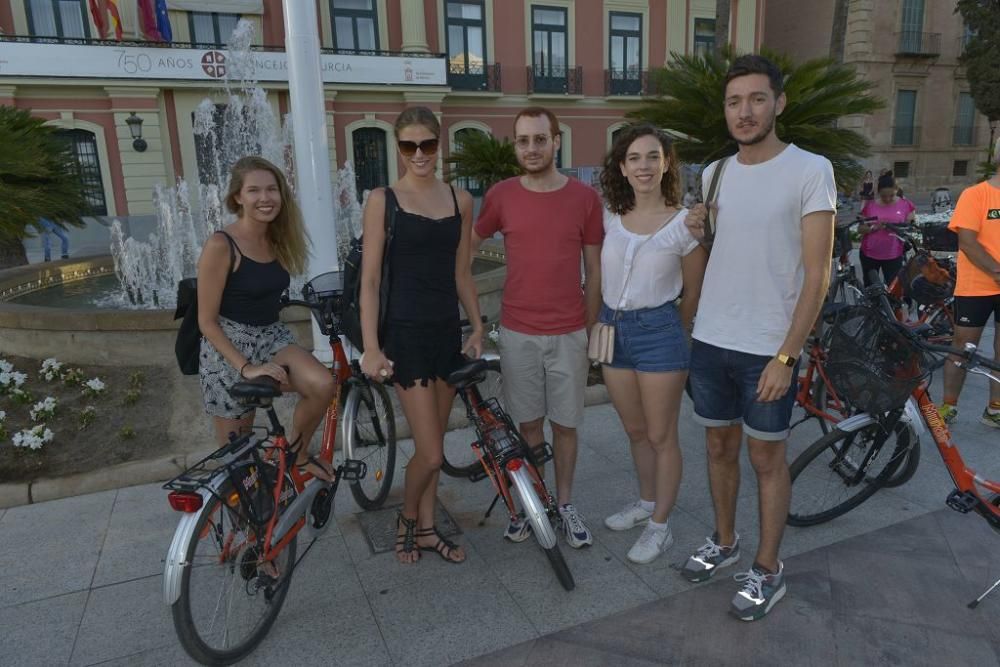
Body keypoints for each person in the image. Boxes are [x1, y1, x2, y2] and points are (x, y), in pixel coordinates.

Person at [682, 54, 836, 620]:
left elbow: (816, 276)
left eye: (756, 99)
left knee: (766, 459)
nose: (744, 112)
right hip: (712, 340)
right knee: (717, 446)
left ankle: (769, 570)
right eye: (733, 102)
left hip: (767, 348)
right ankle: (725, 543)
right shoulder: (714, 174)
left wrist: (786, 356)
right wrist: (699, 234)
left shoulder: (810, 169)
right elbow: (717, 255)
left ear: (779, 103)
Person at [472, 106, 603, 548]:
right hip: (518, 332)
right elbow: (465, 248)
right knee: (528, 426)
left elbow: (594, 268)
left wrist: (588, 326)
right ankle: (535, 502)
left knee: (565, 426)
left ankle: (564, 504)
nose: (532, 148)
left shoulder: (585, 198)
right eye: (524, 140)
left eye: (540, 139)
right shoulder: (501, 195)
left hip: (569, 332)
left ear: (556, 141)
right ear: (515, 144)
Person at [359, 107, 484, 565]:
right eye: (409, 145)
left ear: (439, 144)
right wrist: (372, 346)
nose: (419, 154)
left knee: (435, 446)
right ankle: (407, 519)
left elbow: (462, 273)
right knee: (430, 454)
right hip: (405, 335)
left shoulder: (461, 200)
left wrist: (477, 326)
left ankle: (429, 529)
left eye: (427, 144)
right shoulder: (382, 200)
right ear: (398, 148)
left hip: (445, 332)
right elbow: (369, 281)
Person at [597, 124, 708, 564]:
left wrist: (670, 332)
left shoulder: (685, 223)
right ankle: (646, 503)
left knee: (662, 435)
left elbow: (693, 294)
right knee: (635, 430)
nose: (644, 166)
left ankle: (660, 526)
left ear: (666, 164)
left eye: (652, 157)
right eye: (634, 159)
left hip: (660, 332)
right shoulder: (610, 217)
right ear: (622, 168)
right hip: (611, 329)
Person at [197, 156, 336, 481]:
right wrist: (246, 367)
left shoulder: (278, 238)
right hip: (227, 349)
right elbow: (206, 322)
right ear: (238, 197)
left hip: (271, 336)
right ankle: (246, 526)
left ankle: (298, 456)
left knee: (323, 383)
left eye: (272, 189)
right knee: (240, 464)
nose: (265, 198)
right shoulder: (221, 244)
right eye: (254, 190)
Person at [938, 138, 1000, 427]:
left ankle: (995, 409)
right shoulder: (976, 195)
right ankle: (948, 406)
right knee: (962, 347)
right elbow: (968, 243)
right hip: (977, 286)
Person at [858, 172, 915, 286]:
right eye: (884, 196)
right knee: (871, 287)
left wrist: (898, 228)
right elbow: (860, 228)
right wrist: (874, 228)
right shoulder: (871, 206)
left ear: (896, 190)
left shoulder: (905, 205)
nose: (888, 199)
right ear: (878, 193)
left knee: (893, 288)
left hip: (894, 254)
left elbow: (910, 226)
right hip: (870, 254)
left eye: (891, 195)